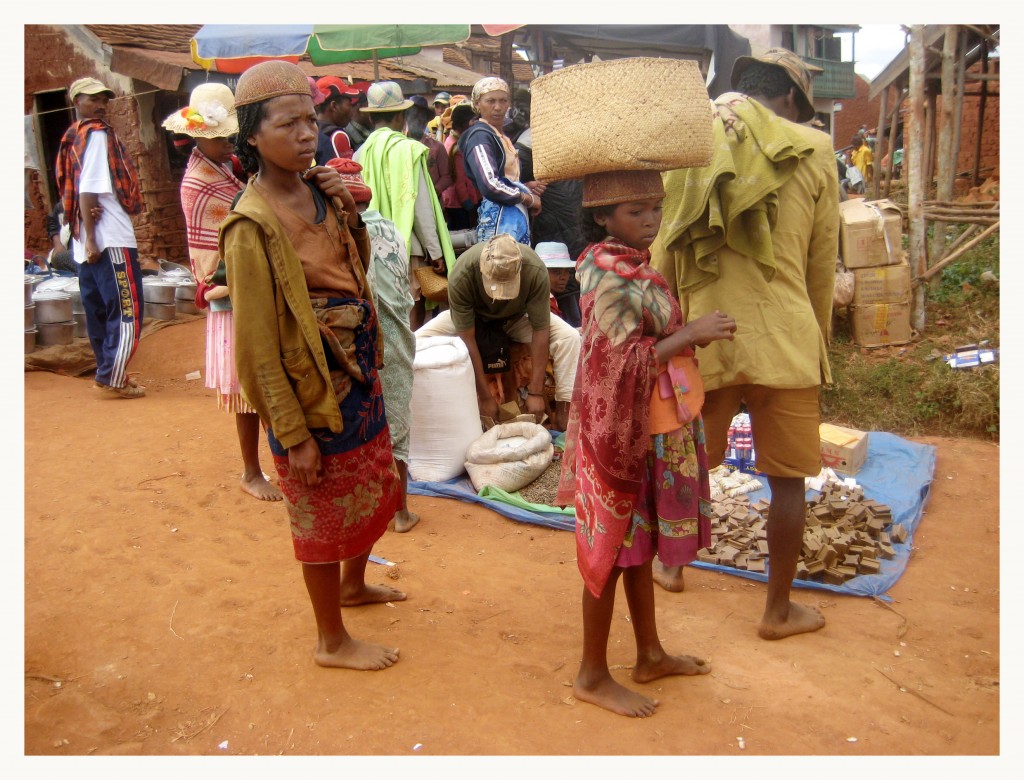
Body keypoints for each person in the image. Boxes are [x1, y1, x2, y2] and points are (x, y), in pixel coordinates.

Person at [220, 60, 403, 670]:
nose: (306, 133)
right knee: (320, 512)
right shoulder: (251, 224)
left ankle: (355, 586)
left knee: (374, 483)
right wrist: (291, 431)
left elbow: (356, 264)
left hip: (357, 371)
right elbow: (254, 343)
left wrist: (344, 209)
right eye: (287, 123)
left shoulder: (319, 191)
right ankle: (331, 640)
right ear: (252, 134)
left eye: (310, 119)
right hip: (309, 388)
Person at [651, 47, 839, 638]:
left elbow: (663, 254)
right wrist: (818, 343)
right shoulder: (814, 149)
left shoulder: (691, 148)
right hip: (785, 340)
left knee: (689, 463)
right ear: (790, 99)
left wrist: (669, 335)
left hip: (706, 338)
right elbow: (821, 265)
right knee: (787, 482)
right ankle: (777, 611)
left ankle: (672, 568)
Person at [555, 169, 736, 718]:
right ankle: (591, 673)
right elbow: (616, 361)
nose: (651, 219)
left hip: (649, 425)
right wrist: (689, 335)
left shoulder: (630, 263)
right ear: (603, 218)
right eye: (636, 211)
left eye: (655, 207)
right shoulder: (608, 275)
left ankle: (650, 653)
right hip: (619, 436)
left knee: (638, 546)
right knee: (610, 548)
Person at [162, 83, 282, 503]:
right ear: (198, 135)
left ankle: (273, 463)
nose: (225, 141)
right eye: (219, 135)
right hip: (229, 291)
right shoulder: (201, 182)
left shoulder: (224, 168)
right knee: (248, 388)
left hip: (245, 285)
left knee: (264, 384)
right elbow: (229, 239)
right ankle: (252, 470)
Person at [327, 157, 420, 534]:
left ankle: (359, 511)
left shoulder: (332, 231)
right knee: (396, 424)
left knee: (351, 424)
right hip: (395, 341)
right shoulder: (392, 230)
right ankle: (400, 512)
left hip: (351, 343)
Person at [415, 233, 581, 432]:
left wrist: (535, 392)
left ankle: (565, 415)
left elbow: (541, 328)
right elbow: (467, 337)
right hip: (475, 319)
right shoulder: (462, 273)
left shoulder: (535, 270)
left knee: (569, 338)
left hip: (517, 318)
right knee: (417, 341)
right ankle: (433, 413)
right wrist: (485, 397)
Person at [55, 76, 146, 399]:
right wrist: (93, 238)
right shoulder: (96, 135)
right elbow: (88, 188)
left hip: (84, 239)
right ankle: (113, 377)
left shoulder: (71, 137)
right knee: (127, 310)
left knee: (97, 311)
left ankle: (107, 371)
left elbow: (77, 192)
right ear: (75, 101)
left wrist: (85, 232)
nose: (101, 105)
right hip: (109, 238)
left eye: (104, 99)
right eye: (92, 99)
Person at [354, 81, 455, 330]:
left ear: (371, 118)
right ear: (401, 116)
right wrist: (436, 250)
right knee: (413, 315)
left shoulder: (360, 153)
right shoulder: (409, 149)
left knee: (387, 313)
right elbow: (420, 208)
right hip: (408, 248)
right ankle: (413, 365)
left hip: (374, 246)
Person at [458, 77, 541, 245]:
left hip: (510, 214)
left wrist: (523, 186)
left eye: (503, 101)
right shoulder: (480, 136)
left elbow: (504, 178)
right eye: (490, 101)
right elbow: (490, 184)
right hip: (499, 217)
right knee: (502, 265)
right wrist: (528, 198)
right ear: (477, 104)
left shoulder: (499, 135)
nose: (497, 107)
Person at [516, 127, 585, 327]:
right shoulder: (531, 143)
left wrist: (525, 187)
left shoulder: (528, 141)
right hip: (561, 222)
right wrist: (526, 187)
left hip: (561, 223)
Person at [441, 103, 480, 231]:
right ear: (465, 124)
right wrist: (467, 203)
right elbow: (459, 181)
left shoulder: (450, 140)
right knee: (464, 236)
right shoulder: (457, 147)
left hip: (453, 201)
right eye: (473, 121)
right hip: (460, 202)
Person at [407, 98, 453, 198]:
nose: (418, 120)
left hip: (433, 204)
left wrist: (434, 191)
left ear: (426, 121)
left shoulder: (437, 147)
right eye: (414, 116)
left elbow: (447, 176)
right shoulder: (399, 146)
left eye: (422, 117)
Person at [314, 76, 360, 164]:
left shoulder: (311, 132)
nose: (351, 110)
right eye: (349, 104)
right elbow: (346, 174)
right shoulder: (338, 135)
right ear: (334, 106)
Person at [534, 241, 575, 321]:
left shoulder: (550, 300)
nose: (564, 277)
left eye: (567, 271)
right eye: (557, 272)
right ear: (540, 272)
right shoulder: (541, 304)